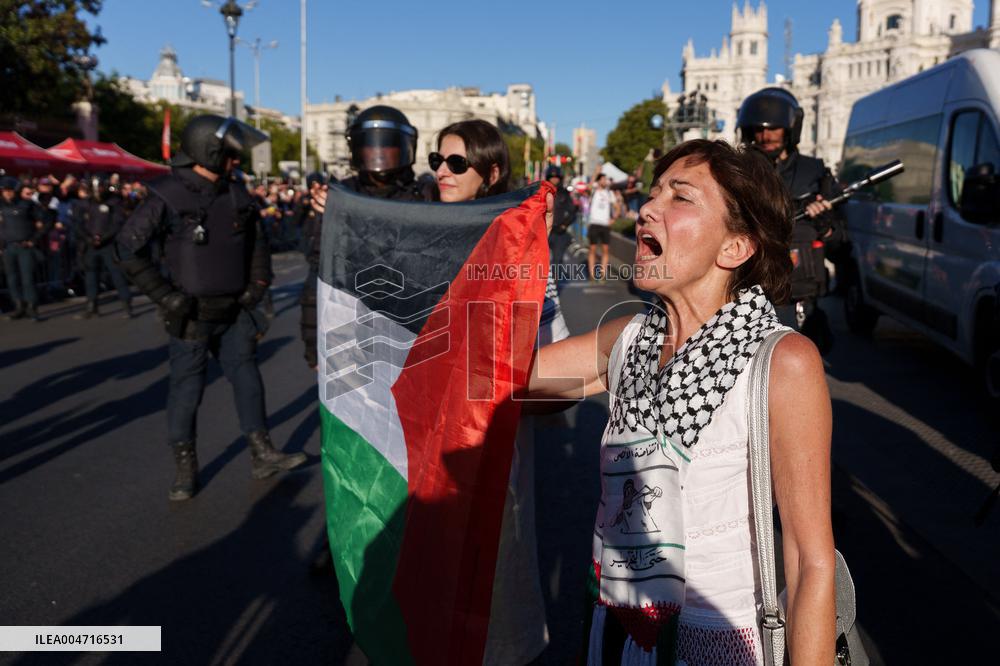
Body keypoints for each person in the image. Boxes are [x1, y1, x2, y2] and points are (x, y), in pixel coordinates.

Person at [525, 139, 835, 664]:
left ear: (735, 248)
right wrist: (524, 247)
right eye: (653, 194)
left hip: (719, 643)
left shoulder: (782, 361)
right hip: (616, 627)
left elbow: (810, 563)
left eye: (680, 197)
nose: (648, 208)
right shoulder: (628, 337)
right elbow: (495, 376)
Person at [117, 114, 306, 501]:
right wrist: (166, 296)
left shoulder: (235, 193)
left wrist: (257, 286)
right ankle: (185, 469)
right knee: (187, 392)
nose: (236, 162)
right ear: (209, 151)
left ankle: (262, 453)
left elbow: (257, 244)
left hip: (235, 311)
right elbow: (128, 248)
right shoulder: (168, 193)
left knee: (248, 379)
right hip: (190, 315)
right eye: (230, 155)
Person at [430, 118, 560, 665]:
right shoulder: (417, 234)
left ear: (491, 171)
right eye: (436, 160)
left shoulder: (520, 244)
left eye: (456, 162)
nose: (442, 171)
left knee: (495, 566)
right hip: (420, 433)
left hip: (490, 438)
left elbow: (555, 365)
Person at [299, 104, 427, 368]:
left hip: (411, 333)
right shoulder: (339, 197)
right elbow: (320, 275)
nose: (378, 154)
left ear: (405, 147)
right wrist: (314, 344)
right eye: (370, 147)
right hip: (352, 331)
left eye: (387, 147)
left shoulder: (425, 198)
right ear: (356, 149)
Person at [737, 87, 843, 354]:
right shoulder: (740, 172)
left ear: (790, 129)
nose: (765, 136)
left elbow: (842, 246)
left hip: (800, 298)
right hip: (749, 296)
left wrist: (824, 225)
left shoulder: (814, 172)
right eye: (759, 129)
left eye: (774, 128)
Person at [72, 175, 133, 319]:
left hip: (108, 244)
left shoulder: (113, 202)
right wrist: (88, 238)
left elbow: (117, 223)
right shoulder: (84, 204)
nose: (97, 191)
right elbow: (78, 224)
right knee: (91, 275)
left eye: (99, 187)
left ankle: (126, 304)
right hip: (90, 245)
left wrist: (103, 238)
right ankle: (91, 305)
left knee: (116, 274)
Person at [1, 176, 46, 320]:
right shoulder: (1, 206)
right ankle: (19, 306)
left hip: (25, 246)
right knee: (12, 279)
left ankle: (32, 307)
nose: (7, 193)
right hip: (8, 247)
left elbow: (44, 223)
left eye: (10, 190)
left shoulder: (27, 204)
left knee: (27, 279)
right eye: (4, 190)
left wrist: (34, 240)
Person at [543, 164, 577, 281]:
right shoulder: (541, 193)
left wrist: (564, 225)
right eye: (552, 177)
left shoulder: (564, 193)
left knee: (557, 261)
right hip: (543, 231)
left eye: (556, 177)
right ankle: (542, 286)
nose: (554, 179)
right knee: (540, 260)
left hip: (559, 232)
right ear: (547, 178)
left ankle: (555, 285)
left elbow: (572, 212)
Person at [587, 170, 614, 281]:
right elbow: (589, 186)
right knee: (592, 249)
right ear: (598, 181)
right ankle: (592, 274)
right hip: (594, 223)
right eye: (602, 179)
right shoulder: (594, 191)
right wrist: (596, 173)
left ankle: (602, 274)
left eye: (605, 179)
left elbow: (617, 207)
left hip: (605, 225)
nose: (605, 181)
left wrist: (613, 219)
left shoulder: (609, 193)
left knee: (605, 249)